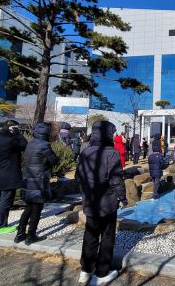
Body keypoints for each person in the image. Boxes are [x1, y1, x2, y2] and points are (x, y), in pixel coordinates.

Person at [75, 121, 126, 285]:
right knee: (107, 236)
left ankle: (85, 270)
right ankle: (102, 272)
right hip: (107, 202)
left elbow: (78, 177)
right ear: (108, 134)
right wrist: (122, 198)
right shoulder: (112, 153)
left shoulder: (85, 151)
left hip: (90, 200)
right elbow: (116, 180)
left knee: (90, 234)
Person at [15, 122, 59, 245]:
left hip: (28, 178)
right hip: (39, 179)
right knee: (37, 208)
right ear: (46, 133)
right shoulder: (44, 145)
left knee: (29, 207)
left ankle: (20, 233)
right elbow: (54, 160)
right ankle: (31, 235)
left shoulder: (30, 144)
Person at [0, 120, 27, 235]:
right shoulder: (12, 139)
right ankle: (1, 226)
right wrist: (18, 134)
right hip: (8, 175)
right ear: (12, 128)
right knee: (5, 200)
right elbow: (25, 146)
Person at [148, 133, 164, 199]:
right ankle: (155, 194)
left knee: (154, 181)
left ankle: (154, 192)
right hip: (157, 168)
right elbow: (162, 163)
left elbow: (149, 163)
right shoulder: (158, 141)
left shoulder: (150, 156)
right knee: (157, 182)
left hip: (152, 170)